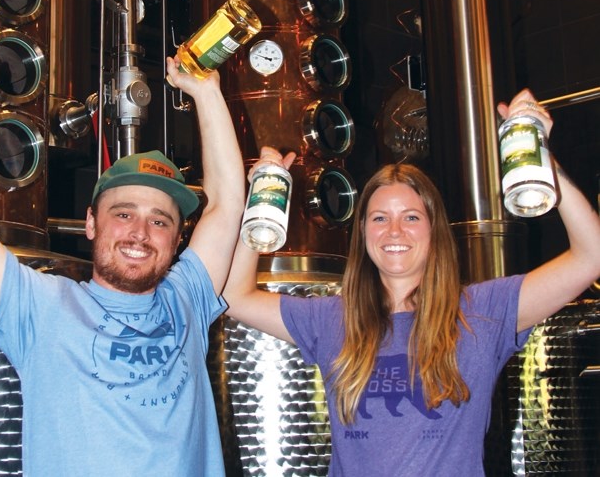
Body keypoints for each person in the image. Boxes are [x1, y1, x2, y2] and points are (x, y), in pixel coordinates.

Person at [223, 89, 600, 476]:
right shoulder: (331, 318)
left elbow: (592, 256)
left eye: (412, 217)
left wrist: (539, 155)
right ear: (363, 231)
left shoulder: (482, 311)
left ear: (434, 230)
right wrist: (263, 202)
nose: (395, 230)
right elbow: (233, 296)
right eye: (380, 218)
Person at [0, 57, 245, 476]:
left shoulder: (188, 298)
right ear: (91, 223)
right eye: (123, 214)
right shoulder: (39, 305)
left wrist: (206, 92)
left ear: (178, 237)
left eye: (159, 220)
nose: (140, 232)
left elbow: (227, 204)